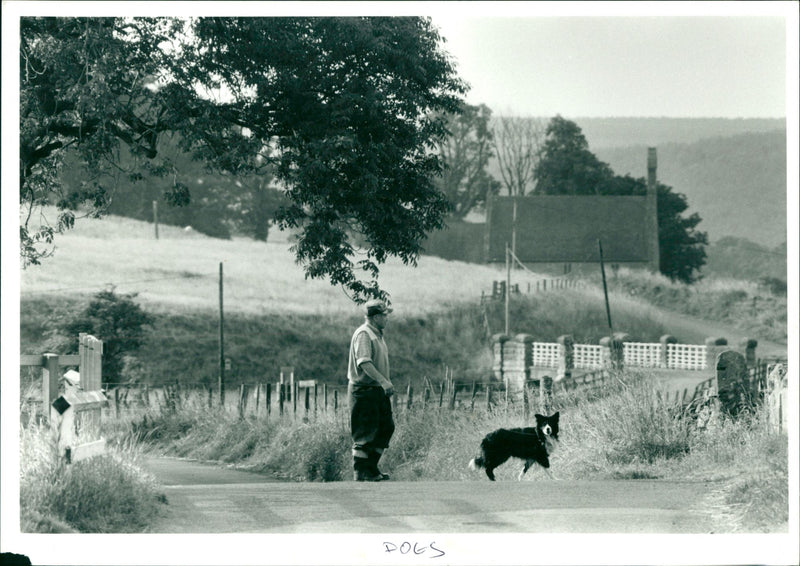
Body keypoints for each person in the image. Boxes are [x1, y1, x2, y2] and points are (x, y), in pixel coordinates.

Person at [347, 298, 395, 481]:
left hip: (376, 389)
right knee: (364, 434)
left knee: (385, 428)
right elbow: (364, 362)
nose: (387, 318)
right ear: (375, 317)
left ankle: (371, 468)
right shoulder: (364, 334)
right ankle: (361, 472)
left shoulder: (376, 334)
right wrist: (384, 381)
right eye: (384, 315)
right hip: (364, 389)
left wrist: (383, 384)